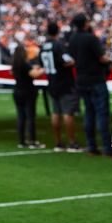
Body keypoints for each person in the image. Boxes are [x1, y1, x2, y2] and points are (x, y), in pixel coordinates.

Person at [67, 14, 112, 156]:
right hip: (96, 79)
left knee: (89, 113)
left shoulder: (72, 39)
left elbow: (72, 58)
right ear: (86, 23)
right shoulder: (91, 38)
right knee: (102, 113)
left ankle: (91, 145)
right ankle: (107, 147)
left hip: (81, 79)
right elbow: (101, 58)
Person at [41, 20, 81, 152]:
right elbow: (67, 61)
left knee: (55, 113)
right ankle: (72, 142)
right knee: (68, 113)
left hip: (51, 81)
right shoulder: (59, 45)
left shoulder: (43, 46)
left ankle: (58, 142)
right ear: (57, 31)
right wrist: (73, 61)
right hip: (63, 81)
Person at [11, 40, 45, 149]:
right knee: (30, 117)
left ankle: (21, 141)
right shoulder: (25, 64)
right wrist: (42, 70)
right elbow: (34, 75)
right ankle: (32, 140)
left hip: (17, 91)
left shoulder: (15, 64)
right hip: (28, 91)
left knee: (21, 117)